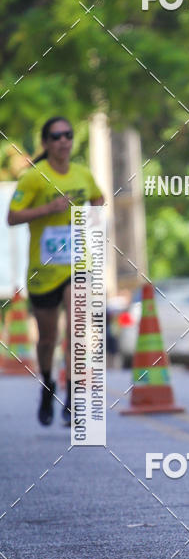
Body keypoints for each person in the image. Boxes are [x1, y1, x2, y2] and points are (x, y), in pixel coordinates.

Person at [7, 116, 104, 426]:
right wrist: (48, 209)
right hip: (44, 269)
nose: (64, 141)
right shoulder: (33, 179)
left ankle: (74, 395)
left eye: (68, 135)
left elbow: (98, 197)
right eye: (56, 136)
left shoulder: (82, 173)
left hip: (77, 264)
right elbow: (12, 217)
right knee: (47, 339)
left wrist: (94, 216)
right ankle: (48, 386)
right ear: (46, 143)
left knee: (76, 330)